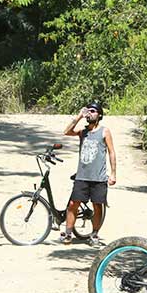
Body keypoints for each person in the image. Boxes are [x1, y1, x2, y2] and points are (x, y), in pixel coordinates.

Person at [61, 100, 116, 247]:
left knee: (97, 206)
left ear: (99, 115)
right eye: (88, 111)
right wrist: (79, 116)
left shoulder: (105, 131)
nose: (89, 113)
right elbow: (66, 132)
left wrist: (113, 174)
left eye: (93, 111)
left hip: (98, 177)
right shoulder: (83, 132)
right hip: (82, 176)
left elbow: (111, 152)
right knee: (73, 204)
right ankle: (68, 233)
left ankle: (94, 234)